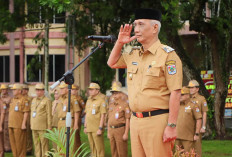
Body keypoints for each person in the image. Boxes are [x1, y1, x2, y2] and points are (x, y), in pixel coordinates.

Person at [107, 8, 183, 157]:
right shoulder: (133, 53)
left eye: (141, 24)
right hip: (136, 121)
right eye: (135, 25)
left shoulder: (168, 55)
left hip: (157, 121)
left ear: (155, 28)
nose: (136, 29)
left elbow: (176, 91)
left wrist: (171, 125)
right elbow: (112, 62)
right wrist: (120, 42)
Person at [175, 87, 202, 154]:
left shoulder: (193, 105)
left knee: (189, 154)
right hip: (177, 136)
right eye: (179, 95)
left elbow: (199, 119)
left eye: (182, 95)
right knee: (177, 154)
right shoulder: (177, 105)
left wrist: (197, 133)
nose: (180, 96)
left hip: (188, 137)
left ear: (188, 95)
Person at [56, 82, 81, 154]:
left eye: (62, 88)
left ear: (67, 89)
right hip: (60, 121)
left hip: (68, 122)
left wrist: (76, 124)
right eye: (60, 88)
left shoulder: (72, 98)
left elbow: (76, 111)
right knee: (61, 141)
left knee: (69, 142)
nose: (60, 90)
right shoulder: (60, 98)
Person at [107, 81, 130, 157]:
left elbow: (127, 119)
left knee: (121, 151)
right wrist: (108, 131)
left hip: (120, 130)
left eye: (116, 93)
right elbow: (109, 119)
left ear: (121, 93)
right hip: (112, 129)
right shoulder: (111, 105)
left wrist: (126, 133)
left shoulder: (124, 105)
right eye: (113, 93)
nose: (114, 95)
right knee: (113, 151)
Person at [84, 82, 107, 157]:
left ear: (97, 91)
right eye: (89, 89)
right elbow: (87, 114)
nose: (90, 91)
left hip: (96, 128)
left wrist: (100, 128)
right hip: (89, 127)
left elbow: (103, 115)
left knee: (99, 147)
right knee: (92, 147)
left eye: (92, 89)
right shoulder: (89, 100)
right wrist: (85, 126)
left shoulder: (101, 101)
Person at [30, 83, 52, 157]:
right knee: (36, 144)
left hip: (43, 126)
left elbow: (49, 114)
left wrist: (49, 126)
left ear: (43, 91)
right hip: (34, 126)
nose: (38, 92)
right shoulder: (33, 100)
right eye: (37, 90)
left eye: (40, 90)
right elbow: (32, 112)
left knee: (44, 144)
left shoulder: (47, 100)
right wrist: (31, 123)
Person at [188, 80, 208, 156]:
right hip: (188, 126)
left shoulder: (201, 99)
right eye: (189, 88)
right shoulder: (187, 98)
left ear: (197, 89)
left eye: (192, 88)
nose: (190, 89)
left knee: (197, 146)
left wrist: (203, 126)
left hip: (197, 126)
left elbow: (204, 113)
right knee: (188, 146)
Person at [8, 84, 30, 157]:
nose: (13, 91)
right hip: (11, 124)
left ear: (19, 91)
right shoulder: (13, 99)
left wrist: (23, 124)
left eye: (14, 90)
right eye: (13, 90)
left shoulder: (24, 100)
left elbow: (26, 112)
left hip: (19, 125)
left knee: (20, 144)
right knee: (13, 144)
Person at [71, 84, 85, 152]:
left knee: (76, 136)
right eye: (72, 89)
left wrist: (81, 115)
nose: (73, 91)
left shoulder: (79, 99)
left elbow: (85, 108)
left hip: (77, 119)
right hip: (71, 118)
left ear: (77, 90)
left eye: (75, 90)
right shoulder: (70, 98)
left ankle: (78, 151)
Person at [22, 84, 33, 155]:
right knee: (22, 134)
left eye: (25, 89)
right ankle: (23, 148)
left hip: (28, 116)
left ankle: (29, 149)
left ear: (27, 91)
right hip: (21, 116)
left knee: (28, 133)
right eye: (23, 89)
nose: (23, 91)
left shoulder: (30, 98)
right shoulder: (20, 98)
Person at [0, 84, 11, 153]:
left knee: (6, 132)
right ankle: (1, 146)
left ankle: (7, 147)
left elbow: (7, 103)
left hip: (7, 116)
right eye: (2, 89)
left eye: (5, 89)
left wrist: (4, 101)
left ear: (7, 90)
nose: (4, 91)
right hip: (1, 117)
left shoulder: (9, 98)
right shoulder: (0, 98)